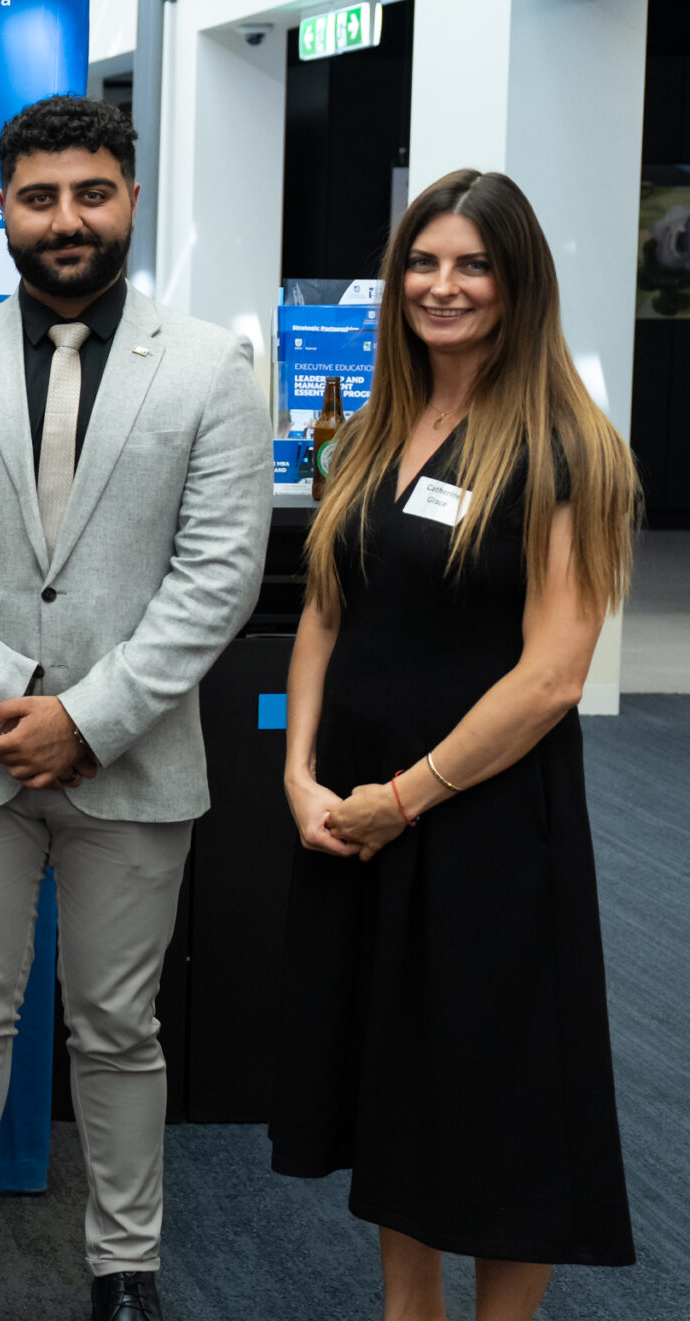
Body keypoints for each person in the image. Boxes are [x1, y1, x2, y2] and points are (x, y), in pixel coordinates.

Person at [0, 95, 271, 1321]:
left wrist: (89, 715)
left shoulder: (214, 364)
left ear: (127, 198)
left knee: (119, 1026)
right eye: (38, 196)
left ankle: (125, 1266)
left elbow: (218, 572)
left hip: (135, 755)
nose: (65, 219)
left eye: (90, 192)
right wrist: (15, 697)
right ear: (2, 209)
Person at [272, 170, 639, 1320]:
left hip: (478, 819)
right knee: (398, 1077)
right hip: (356, 813)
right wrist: (298, 772)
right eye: (422, 263)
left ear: (516, 279)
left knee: (495, 1089)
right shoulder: (375, 423)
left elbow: (550, 675)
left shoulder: (565, 446)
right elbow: (325, 607)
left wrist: (406, 795)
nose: (442, 285)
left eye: (471, 264)